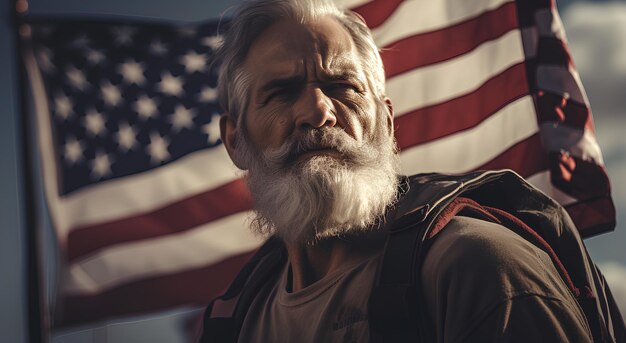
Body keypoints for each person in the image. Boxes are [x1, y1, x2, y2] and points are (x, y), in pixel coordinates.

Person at [202, 0, 624, 341]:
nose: (318, 112)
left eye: (343, 87)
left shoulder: (478, 267)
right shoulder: (236, 318)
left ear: (386, 122)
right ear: (236, 140)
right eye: (281, 92)